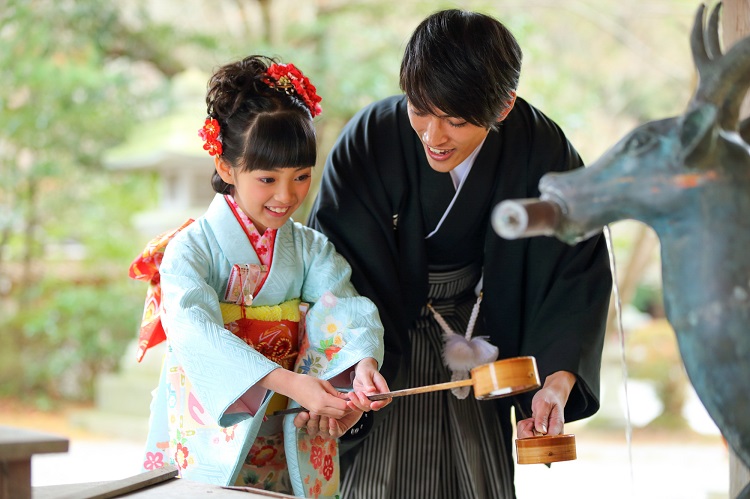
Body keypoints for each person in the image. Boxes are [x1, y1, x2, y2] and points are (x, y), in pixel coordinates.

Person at [307, 9, 612, 499]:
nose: (432, 135)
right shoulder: (370, 140)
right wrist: (354, 358)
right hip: (385, 349)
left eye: (456, 121)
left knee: (479, 481)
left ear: (504, 106)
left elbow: (575, 269)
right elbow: (329, 266)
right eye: (420, 109)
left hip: (482, 346)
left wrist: (554, 380)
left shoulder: (541, 148)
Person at [131, 55, 389, 497]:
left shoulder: (309, 248)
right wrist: (288, 381)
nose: (286, 196)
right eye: (268, 178)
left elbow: (342, 308)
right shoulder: (191, 249)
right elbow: (195, 331)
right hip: (212, 426)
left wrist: (361, 366)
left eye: (302, 177)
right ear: (227, 168)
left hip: (288, 426)